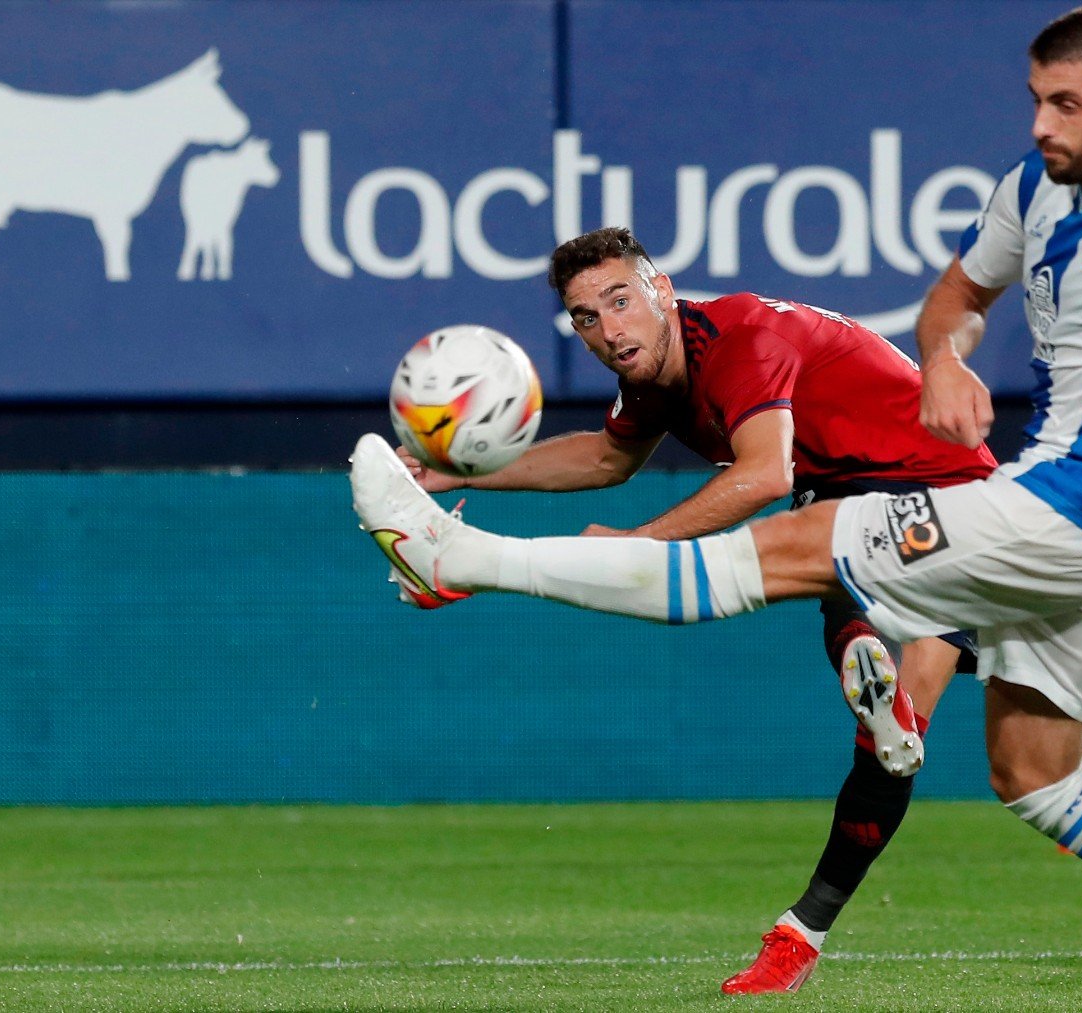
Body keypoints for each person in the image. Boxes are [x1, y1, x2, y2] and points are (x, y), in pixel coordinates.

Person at [349, 6, 1082, 1009]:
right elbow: (952, 297)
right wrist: (948, 356)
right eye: (1036, 98)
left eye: (1066, 103)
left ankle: (460, 559)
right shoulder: (1033, 190)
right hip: (1046, 503)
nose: (1042, 123)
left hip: (1078, 508)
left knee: (779, 550)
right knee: (1037, 772)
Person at [394, 226, 997, 994]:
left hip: (953, 496)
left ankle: (863, 673)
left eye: (621, 299)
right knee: (897, 736)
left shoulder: (745, 337)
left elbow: (764, 474)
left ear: (663, 290)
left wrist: (639, 549)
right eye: (586, 317)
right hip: (880, 504)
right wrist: (455, 471)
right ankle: (809, 907)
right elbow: (608, 458)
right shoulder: (656, 372)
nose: (609, 329)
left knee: (819, 552)